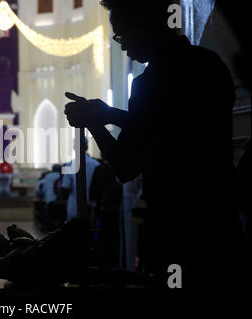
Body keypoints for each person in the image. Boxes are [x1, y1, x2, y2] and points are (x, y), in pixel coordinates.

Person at [64, 0, 245, 287]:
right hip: (219, 218)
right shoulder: (209, 64)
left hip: (175, 227)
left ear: (143, 26)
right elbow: (167, 126)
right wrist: (108, 113)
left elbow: (125, 166)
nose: (122, 46)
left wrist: (93, 123)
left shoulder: (150, 82)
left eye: (122, 35)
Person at [61, 137, 100, 221]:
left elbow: (65, 189)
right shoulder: (97, 164)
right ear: (87, 147)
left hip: (74, 208)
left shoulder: (69, 165)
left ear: (74, 147)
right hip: (92, 208)